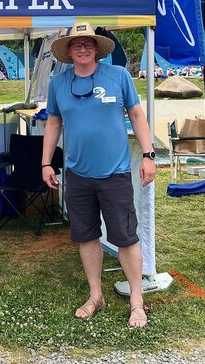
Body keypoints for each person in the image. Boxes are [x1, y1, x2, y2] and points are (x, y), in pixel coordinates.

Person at [42, 22, 156, 328]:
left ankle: (136, 301)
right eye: (76, 44)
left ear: (97, 49)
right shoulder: (58, 83)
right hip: (78, 175)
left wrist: (148, 156)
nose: (82, 48)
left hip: (115, 174)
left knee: (126, 238)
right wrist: (46, 163)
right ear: (68, 51)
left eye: (88, 44)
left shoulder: (118, 76)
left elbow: (137, 115)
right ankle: (96, 295)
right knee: (86, 235)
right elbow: (53, 123)